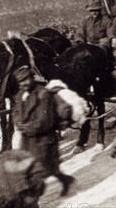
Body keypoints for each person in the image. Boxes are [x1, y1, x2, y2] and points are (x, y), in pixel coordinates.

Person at [11, 66, 75, 196]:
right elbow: (16, 111)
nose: (23, 84)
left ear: (32, 78)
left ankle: (35, 199)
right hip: (28, 139)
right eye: (20, 81)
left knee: (41, 171)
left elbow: (45, 121)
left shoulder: (43, 94)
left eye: (26, 80)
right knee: (41, 168)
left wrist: (26, 127)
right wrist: (18, 122)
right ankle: (66, 180)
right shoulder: (20, 95)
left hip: (44, 140)